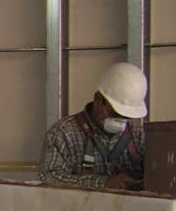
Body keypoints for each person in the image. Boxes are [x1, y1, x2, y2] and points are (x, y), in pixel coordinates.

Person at [38, 62, 147, 191]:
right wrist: (102, 183)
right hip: (80, 210)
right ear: (98, 100)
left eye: (126, 116)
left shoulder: (137, 133)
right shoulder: (64, 133)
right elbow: (49, 178)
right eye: (115, 113)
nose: (121, 121)